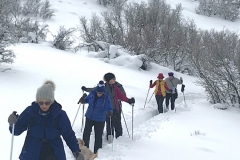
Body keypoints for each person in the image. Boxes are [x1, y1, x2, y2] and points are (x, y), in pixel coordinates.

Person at [7, 80, 84, 160]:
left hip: (53, 151)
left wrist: (76, 151)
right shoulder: (30, 112)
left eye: (47, 103)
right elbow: (16, 130)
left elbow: (68, 134)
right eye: (41, 103)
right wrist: (12, 123)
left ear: (52, 101)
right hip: (32, 150)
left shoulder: (60, 115)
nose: (44, 106)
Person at [81, 73, 135, 142]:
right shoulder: (103, 87)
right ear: (109, 80)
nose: (114, 79)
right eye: (113, 78)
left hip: (115, 108)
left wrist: (129, 100)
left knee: (117, 123)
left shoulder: (116, 87)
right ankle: (110, 139)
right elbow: (94, 89)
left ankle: (119, 138)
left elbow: (122, 96)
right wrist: (86, 89)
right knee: (109, 124)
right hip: (106, 109)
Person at [78, 80, 113, 156]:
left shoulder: (106, 97)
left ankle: (97, 153)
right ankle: (85, 151)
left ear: (103, 92)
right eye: (97, 92)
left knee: (98, 136)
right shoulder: (92, 94)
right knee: (86, 134)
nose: (98, 94)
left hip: (100, 120)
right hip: (89, 117)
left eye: (100, 93)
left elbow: (108, 107)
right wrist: (83, 100)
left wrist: (110, 111)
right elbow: (87, 100)